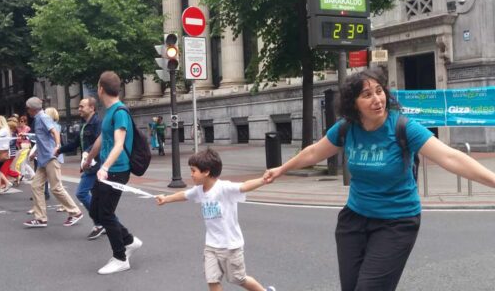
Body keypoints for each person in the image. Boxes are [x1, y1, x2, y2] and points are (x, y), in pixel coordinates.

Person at [263, 68, 495, 291]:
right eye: (366, 95)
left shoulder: (403, 127)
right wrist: (282, 169)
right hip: (354, 220)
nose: (377, 99)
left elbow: (450, 157)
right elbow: (314, 152)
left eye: (379, 91)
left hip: (396, 222)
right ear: (353, 103)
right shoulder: (347, 129)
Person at [156, 149, 275, 291]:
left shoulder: (224, 188)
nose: (191, 174)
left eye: (193, 171)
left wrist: (263, 180)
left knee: (239, 279)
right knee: (212, 280)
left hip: (230, 246)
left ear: (206, 172)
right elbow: (184, 195)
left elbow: (244, 186)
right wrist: (166, 199)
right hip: (211, 246)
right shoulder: (199, 190)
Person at [82, 71, 142, 275]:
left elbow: (119, 144)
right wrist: (90, 159)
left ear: (100, 89)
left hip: (116, 170)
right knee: (96, 212)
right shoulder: (109, 112)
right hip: (105, 170)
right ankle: (129, 241)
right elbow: (102, 139)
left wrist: (105, 167)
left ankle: (120, 257)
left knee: (105, 214)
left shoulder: (120, 112)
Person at [23, 97, 83, 228]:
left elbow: (54, 131)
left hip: (50, 158)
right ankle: (40, 218)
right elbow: (43, 139)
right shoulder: (38, 118)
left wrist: (57, 146)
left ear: (32, 109)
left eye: (27, 108)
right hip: (44, 159)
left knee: (56, 187)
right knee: (35, 185)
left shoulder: (43, 117)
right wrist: (36, 152)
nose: (27, 111)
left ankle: (75, 212)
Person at [58, 97, 106, 240]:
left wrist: (88, 156)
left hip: (95, 165)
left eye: (81, 106)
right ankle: (104, 222)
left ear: (92, 108)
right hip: (89, 165)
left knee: (81, 193)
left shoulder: (98, 123)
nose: (79, 109)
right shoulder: (85, 125)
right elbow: (75, 144)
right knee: (98, 198)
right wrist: (59, 150)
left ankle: (99, 223)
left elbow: (100, 142)